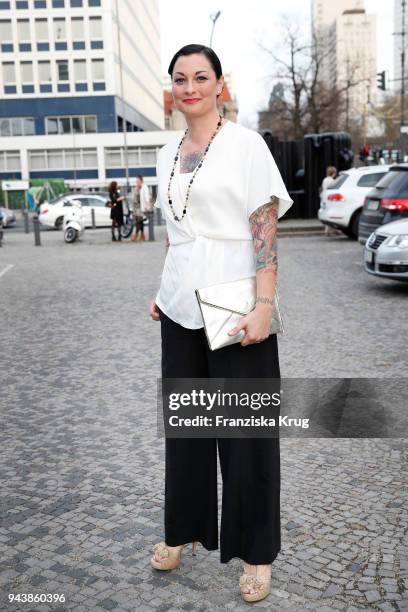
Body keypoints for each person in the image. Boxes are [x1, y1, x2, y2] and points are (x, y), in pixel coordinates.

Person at [149, 44, 293, 603]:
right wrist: (164, 288)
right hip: (180, 305)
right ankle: (181, 530)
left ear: (219, 85)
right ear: (172, 89)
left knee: (246, 436)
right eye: (181, 78)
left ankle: (257, 552)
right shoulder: (167, 152)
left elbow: (263, 228)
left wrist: (264, 304)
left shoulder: (246, 146)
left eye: (201, 77)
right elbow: (176, 228)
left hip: (236, 303)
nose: (191, 87)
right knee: (185, 430)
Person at [131, 176, 151, 241]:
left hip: (141, 207)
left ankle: (135, 235)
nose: (137, 182)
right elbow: (134, 198)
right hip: (136, 208)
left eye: (138, 181)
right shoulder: (136, 188)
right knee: (140, 222)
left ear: (141, 181)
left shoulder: (144, 187)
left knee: (138, 222)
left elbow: (147, 198)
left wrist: (147, 207)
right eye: (136, 181)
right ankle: (142, 235)